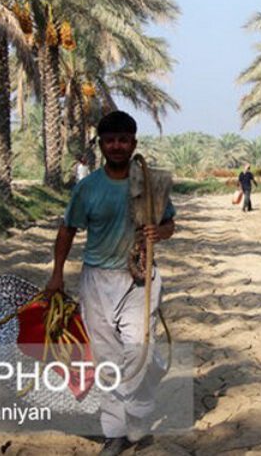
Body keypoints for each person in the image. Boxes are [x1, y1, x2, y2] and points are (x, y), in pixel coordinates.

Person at [46, 111, 176, 456]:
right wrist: (57, 274)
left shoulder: (149, 182)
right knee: (105, 357)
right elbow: (67, 230)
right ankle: (116, 433)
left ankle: (139, 410)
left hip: (139, 279)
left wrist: (157, 233)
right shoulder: (88, 188)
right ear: (101, 145)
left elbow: (169, 224)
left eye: (123, 139)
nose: (117, 146)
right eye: (110, 140)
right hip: (96, 281)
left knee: (140, 352)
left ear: (134, 142)